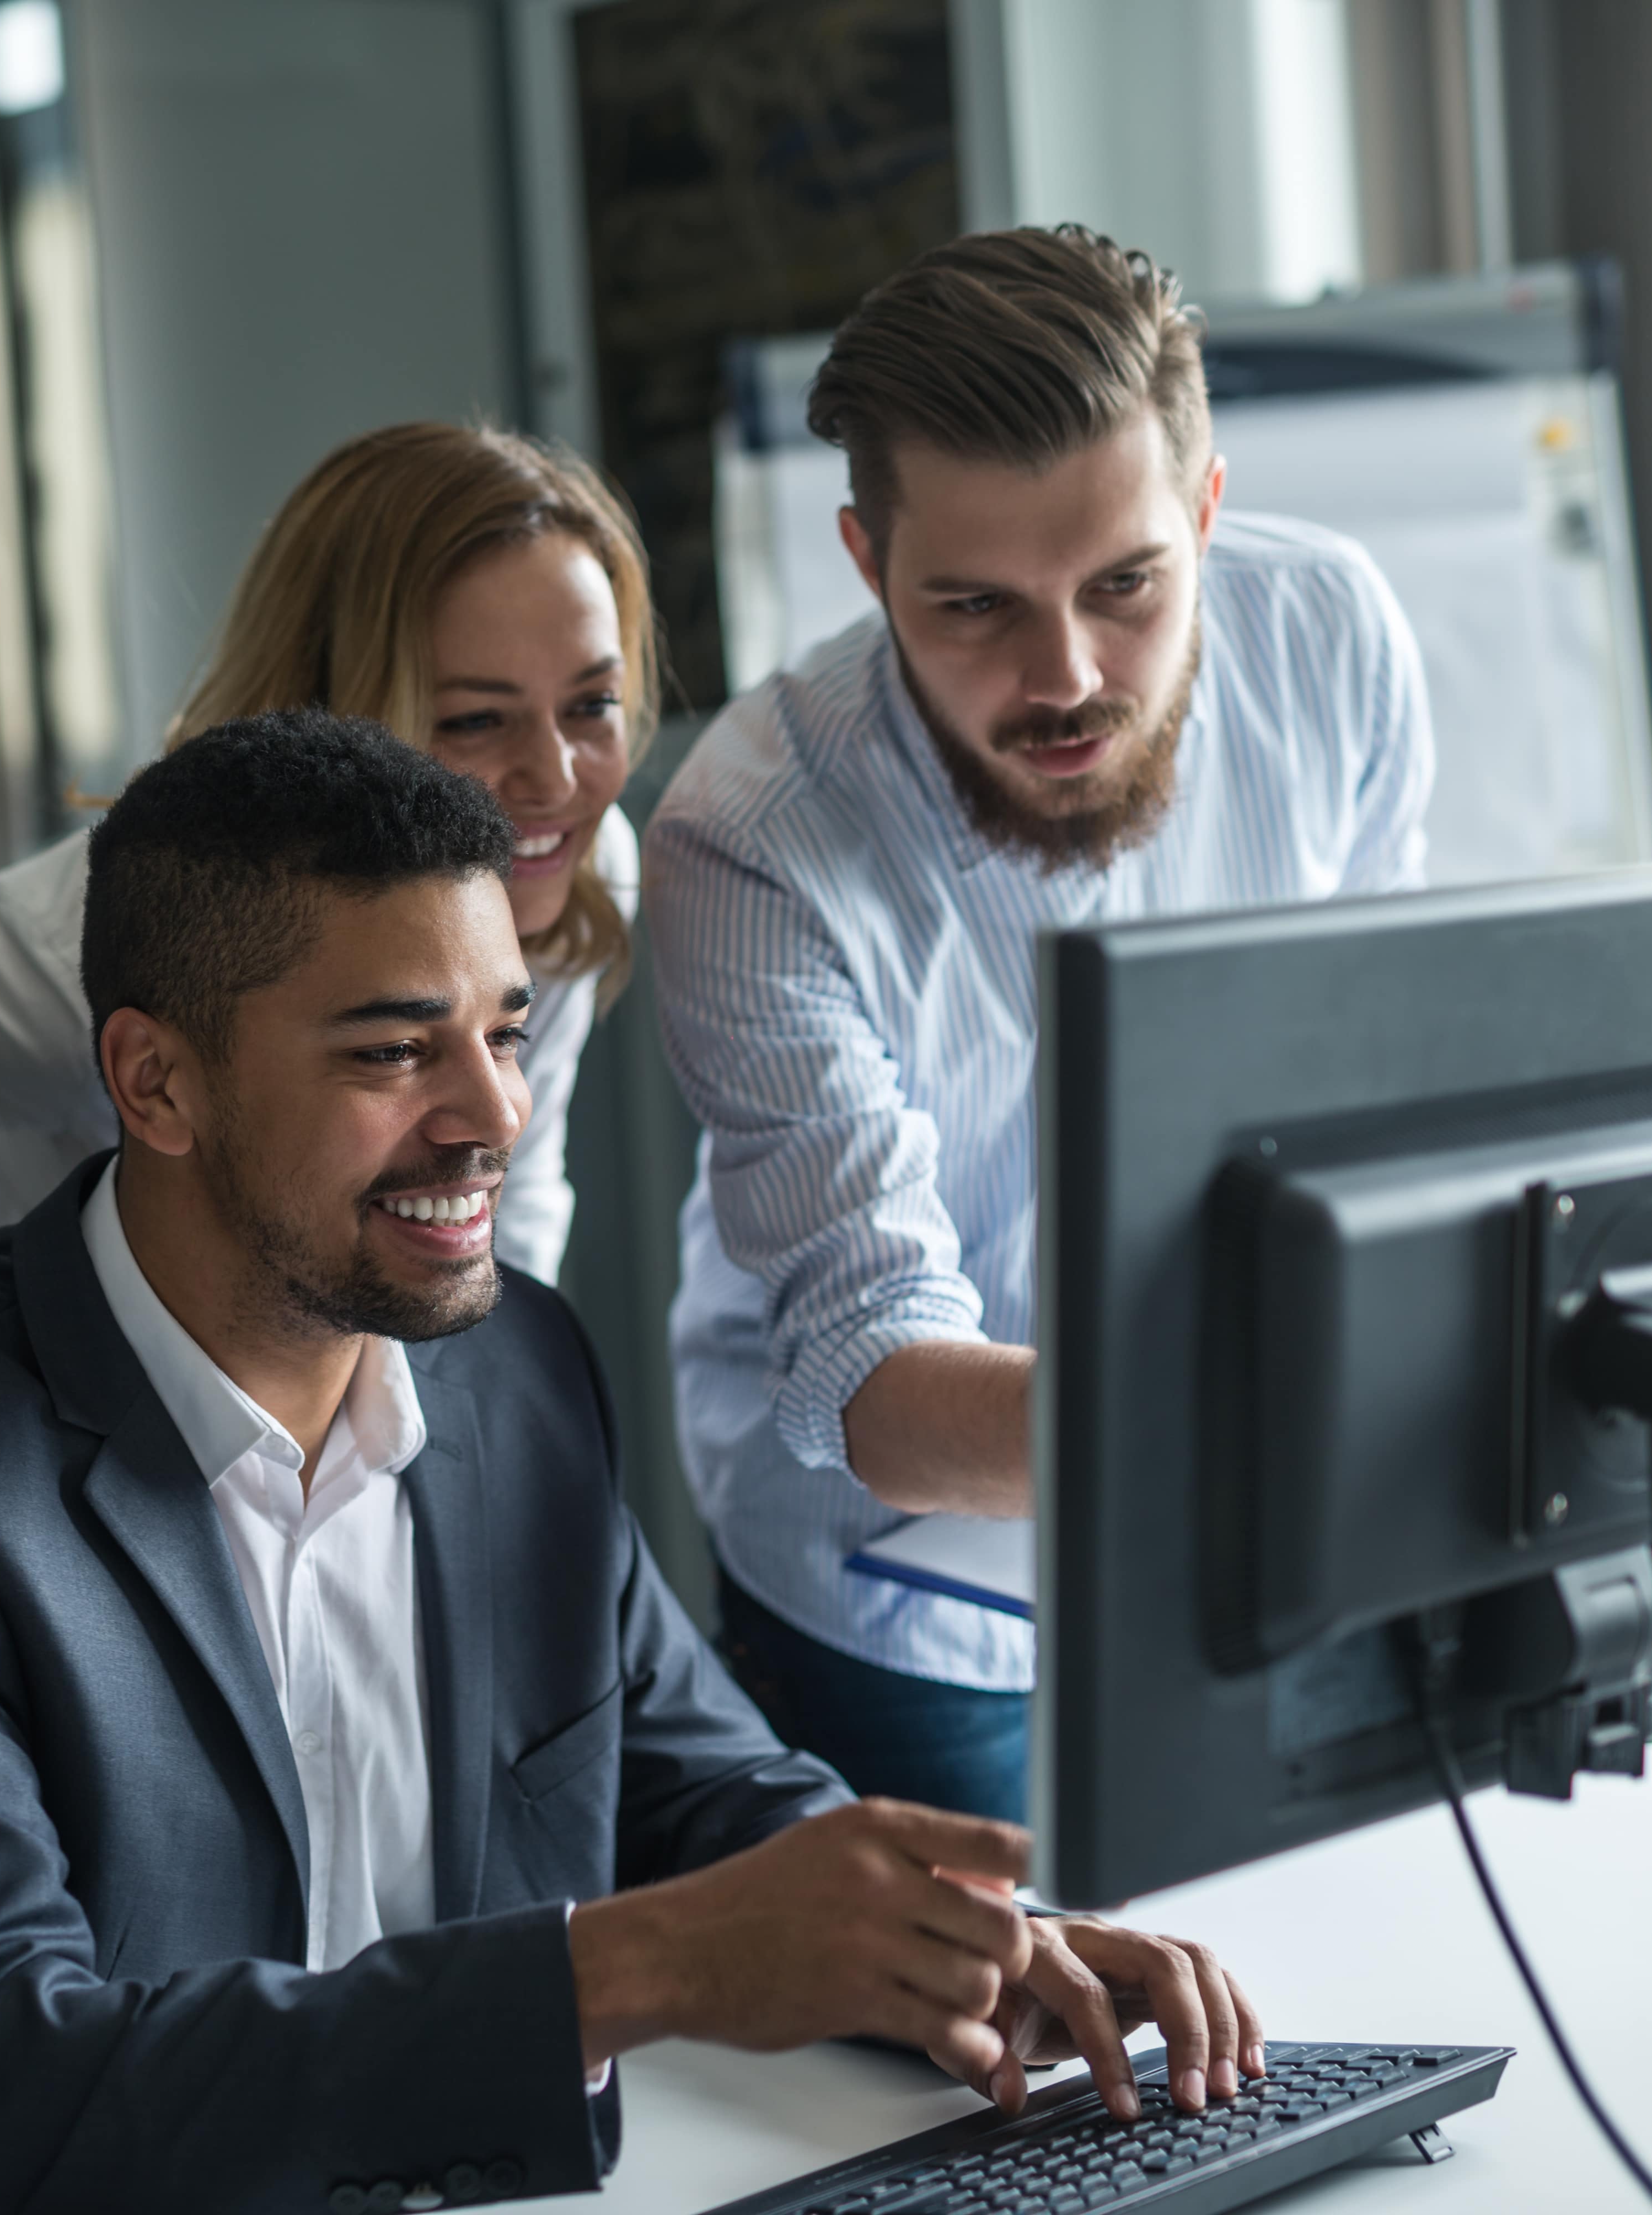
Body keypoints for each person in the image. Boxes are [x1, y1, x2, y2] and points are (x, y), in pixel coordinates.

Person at [0, 714, 1263, 2215]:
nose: (491, 1113)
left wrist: (976, 1944)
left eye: (505, 1032)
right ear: (155, 1081)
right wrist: (622, 1973)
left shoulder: (516, 1373)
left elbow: (698, 1788)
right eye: (392, 1054)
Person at [0, 424, 656, 1659]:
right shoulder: (94, 950)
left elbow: (494, 1228)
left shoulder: (561, 874)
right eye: (473, 722)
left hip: (305, 1466)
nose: (554, 777)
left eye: (593, 706)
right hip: (32, 1479)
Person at [646, 227, 1436, 1821]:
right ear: (869, 565)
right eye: (977, 606)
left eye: (1128, 585)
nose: (1067, 674)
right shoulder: (750, 838)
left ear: (1205, 513)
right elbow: (883, 1381)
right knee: (989, 2071)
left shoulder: (1331, 638)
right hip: (905, 1611)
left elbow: (1383, 1084)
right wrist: (1304, 1410)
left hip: (1268, 1526)